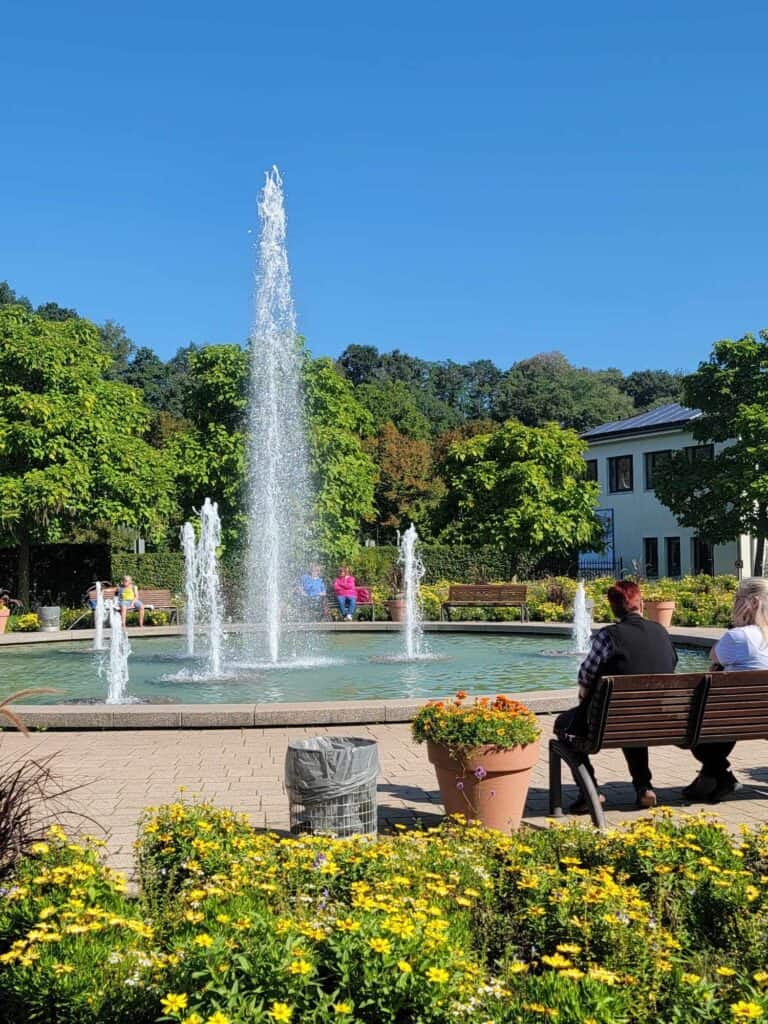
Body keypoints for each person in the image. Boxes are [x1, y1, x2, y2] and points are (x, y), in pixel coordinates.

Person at [555, 579, 677, 812]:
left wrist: (584, 693)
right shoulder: (660, 631)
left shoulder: (609, 635)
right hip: (659, 719)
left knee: (563, 724)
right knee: (632, 720)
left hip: (613, 719)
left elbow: (586, 674)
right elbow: (671, 663)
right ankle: (644, 787)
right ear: (640, 604)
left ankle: (590, 791)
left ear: (614, 608)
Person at [682, 577, 768, 803]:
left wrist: (737, 625)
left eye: (738, 599)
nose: (734, 603)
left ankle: (720, 775)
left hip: (735, 718)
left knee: (699, 729)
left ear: (749, 604)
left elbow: (713, 656)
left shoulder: (739, 636)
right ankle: (715, 776)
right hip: (762, 717)